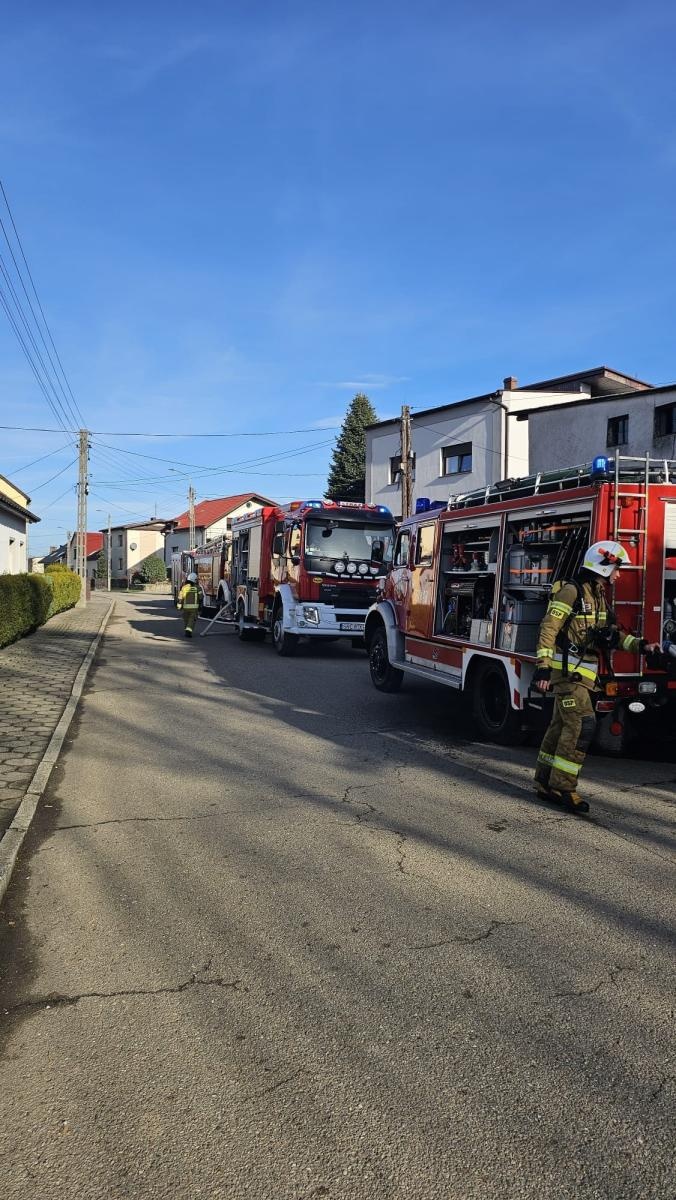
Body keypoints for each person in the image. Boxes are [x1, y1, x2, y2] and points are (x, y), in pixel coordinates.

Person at [533, 541, 660, 814]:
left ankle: (544, 781)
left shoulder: (599, 595)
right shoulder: (571, 592)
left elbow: (612, 635)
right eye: (616, 568)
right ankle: (564, 787)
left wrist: (642, 646)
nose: (619, 575)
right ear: (602, 566)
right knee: (582, 725)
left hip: (583, 674)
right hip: (568, 673)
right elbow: (548, 629)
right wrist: (543, 667)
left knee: (560, 727)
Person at [177, 572, 202, 638]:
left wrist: (179, 605)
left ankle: (186, 630)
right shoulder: (198, 588)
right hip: (194, 608)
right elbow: (201, 598)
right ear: (194, 580)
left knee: (186, 620)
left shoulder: (184, 587)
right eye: (196, 580)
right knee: (191, 620)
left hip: (185, 608)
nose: (197, 581)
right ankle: (188, 631)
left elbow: (180, 597)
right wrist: (200, 607)